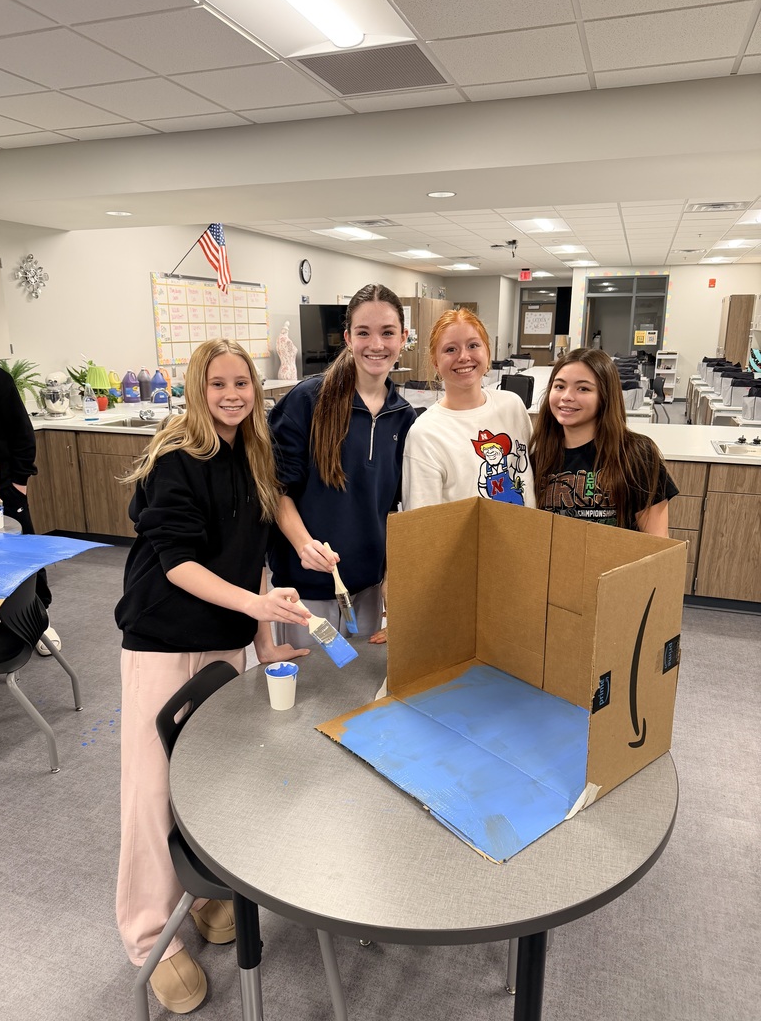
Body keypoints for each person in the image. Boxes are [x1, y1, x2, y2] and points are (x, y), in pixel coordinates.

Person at [113, 338, 310, 1014]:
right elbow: (177, 564)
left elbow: (250, 558)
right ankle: (148, 937)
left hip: (225, 642)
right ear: (198, 390)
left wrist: (264, 641)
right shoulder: (175, 456)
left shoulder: (252, 455)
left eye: (242, 384)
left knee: (211, 780)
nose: (232, 394)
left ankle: (198, 899)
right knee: (152, 790)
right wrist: (258, 608)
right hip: (164, 640)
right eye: (218, 384)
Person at [268, 283, 416, 647]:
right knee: (312, 694)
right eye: (363, 332)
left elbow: (397, 509)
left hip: (366, 589)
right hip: (308, 589)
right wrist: (304, 546)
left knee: (357, 693)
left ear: (403, 337)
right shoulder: (308, 400)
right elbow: (275, 489)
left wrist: (391, 580)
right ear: (348, 337)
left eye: (387, 332)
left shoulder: (404, 417)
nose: (376, 344)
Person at [529, 347, 678, 534]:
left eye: (583, 388)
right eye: (559, 386)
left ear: (605, 396)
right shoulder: (539, 458)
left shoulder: (636, 454)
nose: (566, 396)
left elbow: (657, 543)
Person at [402, 308, 535, 511]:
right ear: (435, 362)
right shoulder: (425, 434)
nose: (464, 357)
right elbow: (425, 525)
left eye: (473, 345)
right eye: (450, 349)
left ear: (487, 352)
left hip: (527, 538)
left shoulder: (513, 406)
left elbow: (531, 474)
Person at [0, 359, 59, 653]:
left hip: (2, 485)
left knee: (23, 554)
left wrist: (19, 482)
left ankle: (41, 620)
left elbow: (22, 433)